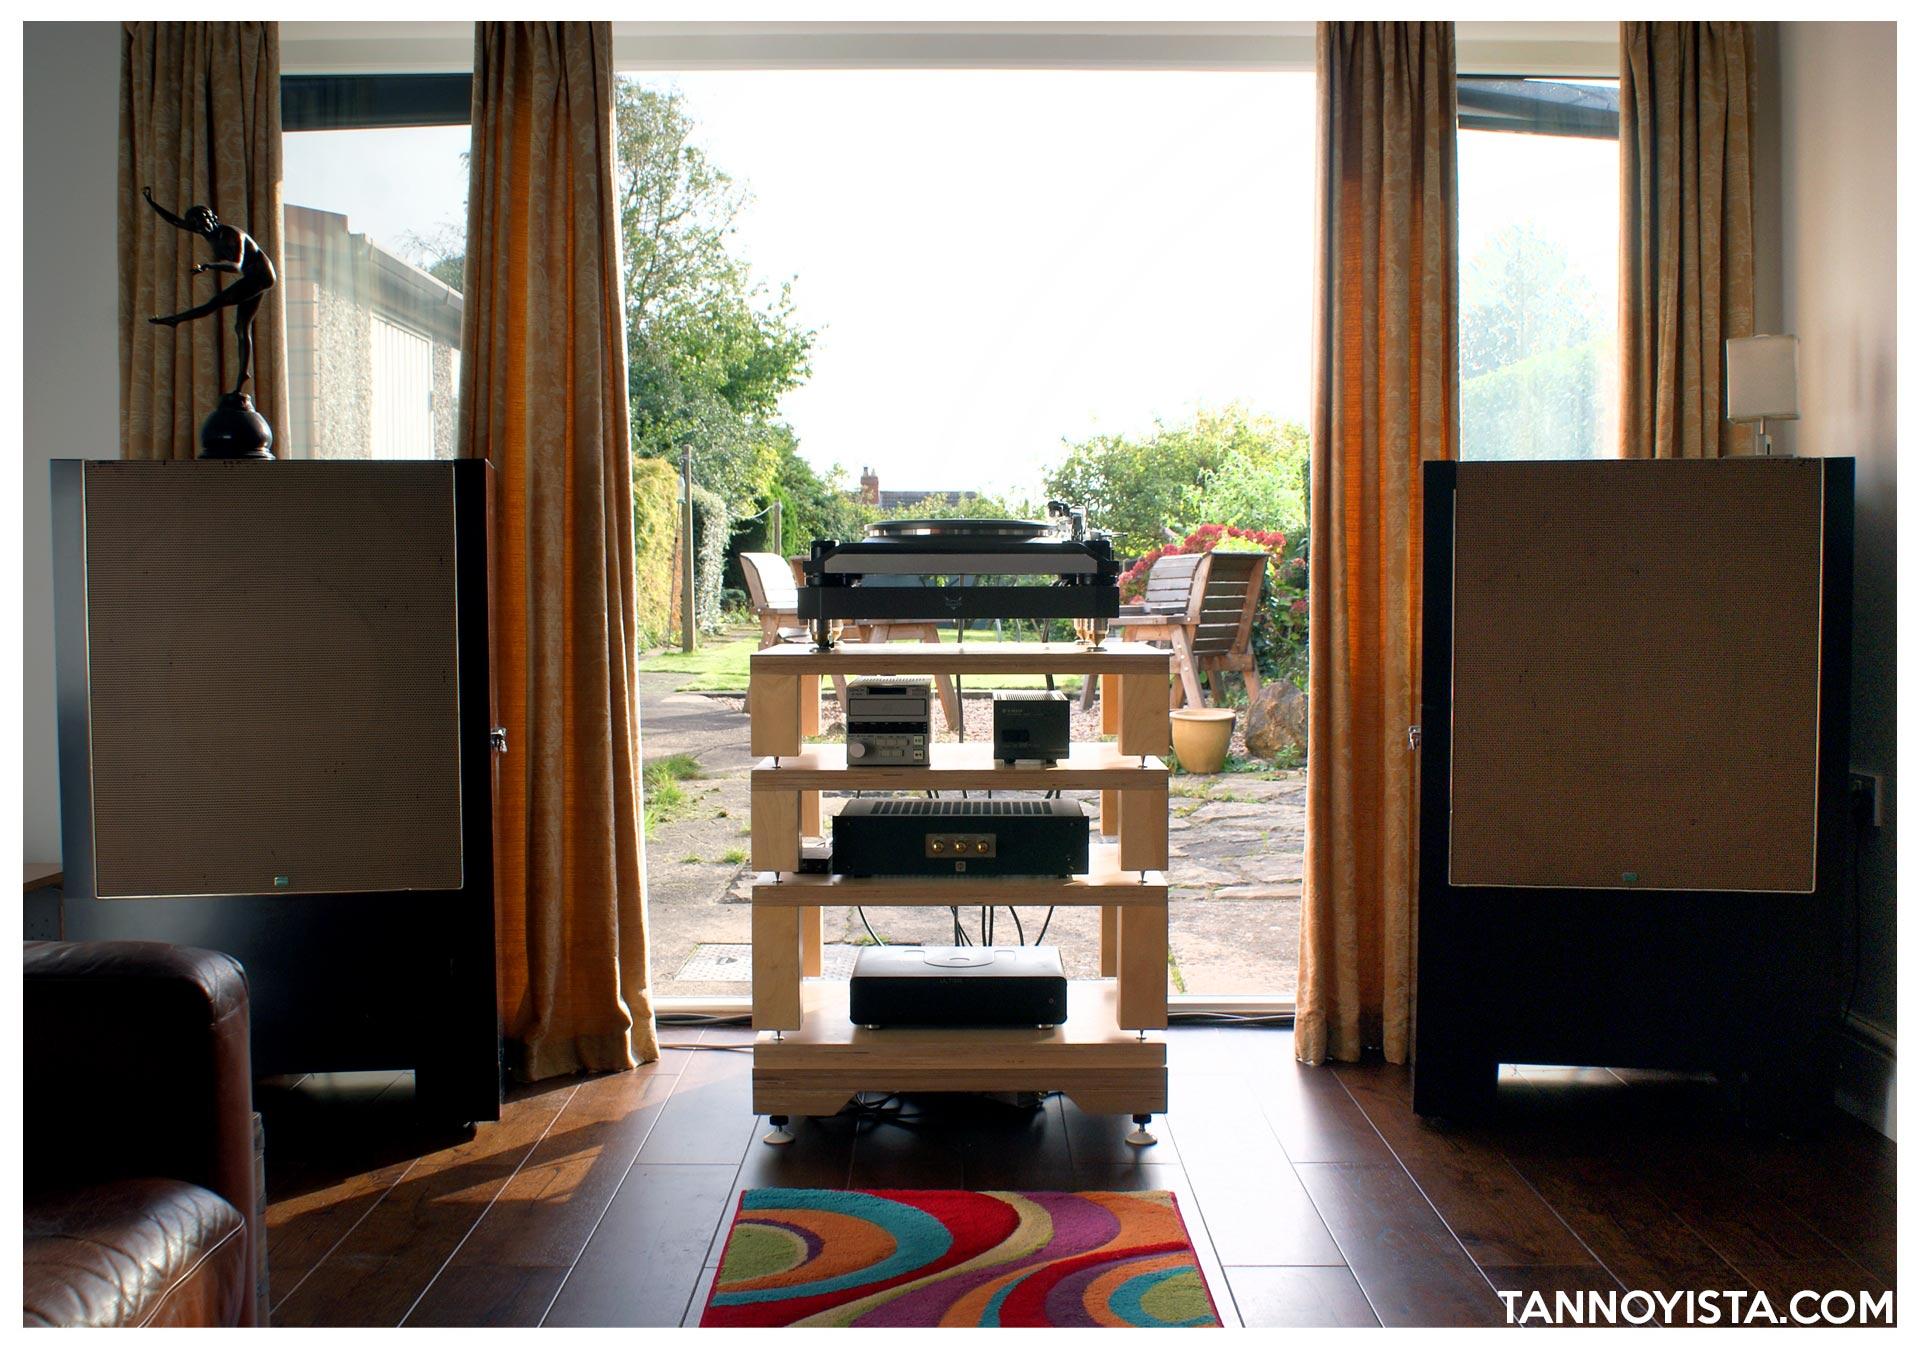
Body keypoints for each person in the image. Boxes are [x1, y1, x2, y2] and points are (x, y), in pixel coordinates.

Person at [145, 187, 277, 397]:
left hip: (260, 275)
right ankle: (243, 375)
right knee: (241, 327)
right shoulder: (205, 231)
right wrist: (151, 202)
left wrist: (208, 266)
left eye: (202, 224)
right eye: (196, 228)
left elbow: (236, 266)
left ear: (212, 219)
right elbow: (177, 222)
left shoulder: (232, 234)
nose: (200, 230)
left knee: (214, 304)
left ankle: (175, 320)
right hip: (253, 277)